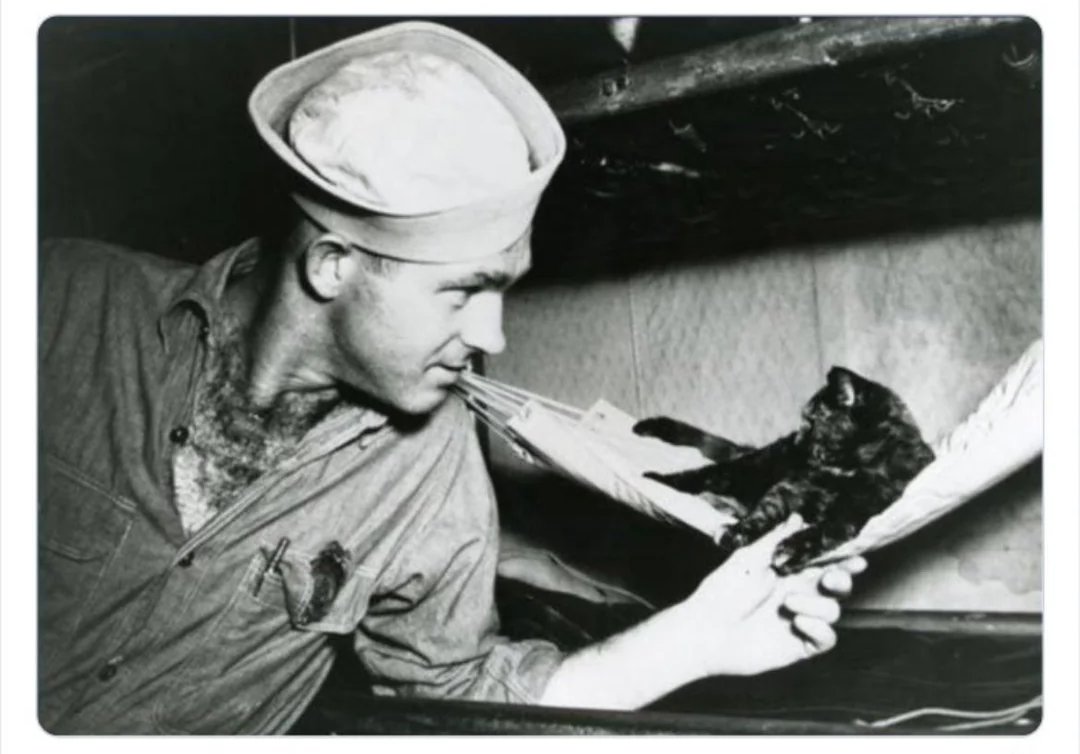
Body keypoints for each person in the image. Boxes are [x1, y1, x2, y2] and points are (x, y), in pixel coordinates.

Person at [38, 21, 866, 734]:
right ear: (332, 266)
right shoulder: (58, 303)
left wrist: (697, 641)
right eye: (465, 292)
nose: (493, 335)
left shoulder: (430, 463)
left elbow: (461, 692)